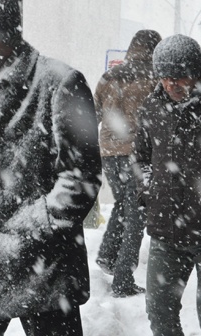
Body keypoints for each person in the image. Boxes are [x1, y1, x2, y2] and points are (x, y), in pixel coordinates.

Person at [0, 0, 101, 335]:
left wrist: (30, 227)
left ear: (8, 31)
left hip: (44, 268)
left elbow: (81, 178)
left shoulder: (60, 83)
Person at [134, 34, 201, 336]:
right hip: (167, 230)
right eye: (165, 77)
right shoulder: (152, 108)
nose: (172, 84)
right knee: (160, 314)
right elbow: (140, 157)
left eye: (180, 77)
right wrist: (147, 189)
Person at [94, 29, 162, 298]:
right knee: (137, 215)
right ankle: (123, 280)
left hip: (109, 151)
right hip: (138, 154)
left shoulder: (110, 76)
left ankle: (108, 255)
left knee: (124, 204)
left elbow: (94, 112)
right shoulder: (156, 78)